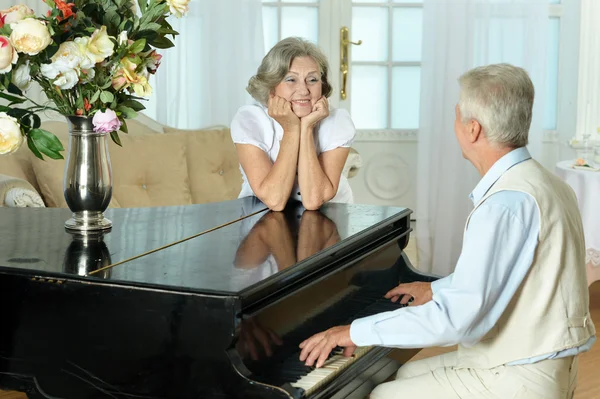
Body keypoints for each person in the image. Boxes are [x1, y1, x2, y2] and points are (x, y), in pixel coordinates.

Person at [297, 63, 596, 398]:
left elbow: (457, 320)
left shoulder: (505, 204)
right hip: (547, 359)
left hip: (522, 375)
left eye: (456, 115)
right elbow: (503, 275)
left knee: (382, 396)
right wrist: (436, 291)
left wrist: (353, 332)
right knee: (405, 372)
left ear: (472, 129)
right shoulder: (547, 183)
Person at [231, 37, 356, 211]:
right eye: (291, 79)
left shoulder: (338, 121)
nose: (304, 90)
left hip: (331, 219)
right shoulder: (250, 120)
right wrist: (291, 130)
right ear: (271, 86)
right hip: (261, 220)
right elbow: (274, 200)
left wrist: (306, 127)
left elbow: (314, 200)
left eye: (312, 80)